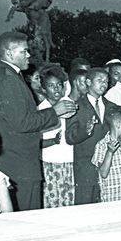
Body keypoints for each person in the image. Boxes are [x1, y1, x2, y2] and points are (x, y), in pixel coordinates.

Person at [0, 31, 75, 210]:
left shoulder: (8, 74)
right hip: (20, 162)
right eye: (24, 51)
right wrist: (55, 112)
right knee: (27, 215)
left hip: (16, 159)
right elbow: (21, 123)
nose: (29, 55)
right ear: (9, 53)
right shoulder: (8, 79)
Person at [66, 67, 116, 205]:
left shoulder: (112, 107)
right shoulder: (76, 106)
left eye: (106, 81)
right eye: (99, 80)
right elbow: (69, 138)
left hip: (108, 164)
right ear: (88, 82)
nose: (103, 84)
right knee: (85, 206)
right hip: (85, 166)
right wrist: (85, 130)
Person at [37, 65, 75, 208]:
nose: (57, 89)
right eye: (51, 86)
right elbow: (35, 142)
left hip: (70, 162)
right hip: (50, 164)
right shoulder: (40, 111)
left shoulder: (70, 106)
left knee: (70, 203)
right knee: (53, 204)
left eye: (59, 85)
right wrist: (53, 141)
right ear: (44, 89)